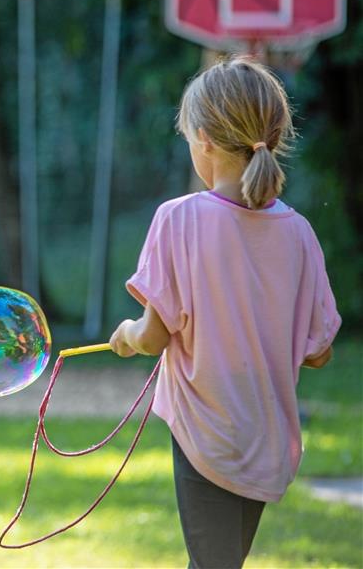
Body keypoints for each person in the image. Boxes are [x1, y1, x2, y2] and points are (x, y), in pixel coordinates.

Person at [108, 57, 341, 569]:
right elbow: (319, 352)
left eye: (189, 135)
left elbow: (151, 337)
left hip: (207, 435)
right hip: (267, 437)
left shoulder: (178, 218)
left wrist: (126, 333)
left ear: (206, 140)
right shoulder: (299, 232)